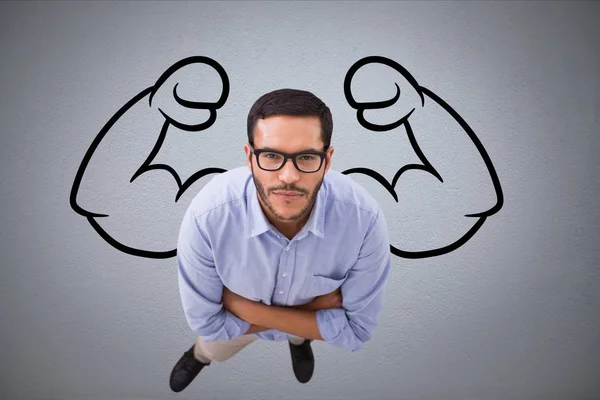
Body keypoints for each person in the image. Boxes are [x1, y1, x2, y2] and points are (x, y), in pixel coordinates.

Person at [169, 88, 391, 393]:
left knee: (294, 333)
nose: (288, 176)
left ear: (327, 160)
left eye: (306, 157)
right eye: (271, 155)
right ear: (249, 157)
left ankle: (299, 341)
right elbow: (208, 326)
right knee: (212, 348)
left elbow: (357, 332)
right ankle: (198, 356)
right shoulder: (207, 216)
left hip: (243, 318)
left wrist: (242, 308)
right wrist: (315, 311)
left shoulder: (364, 220)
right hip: (301, 317)